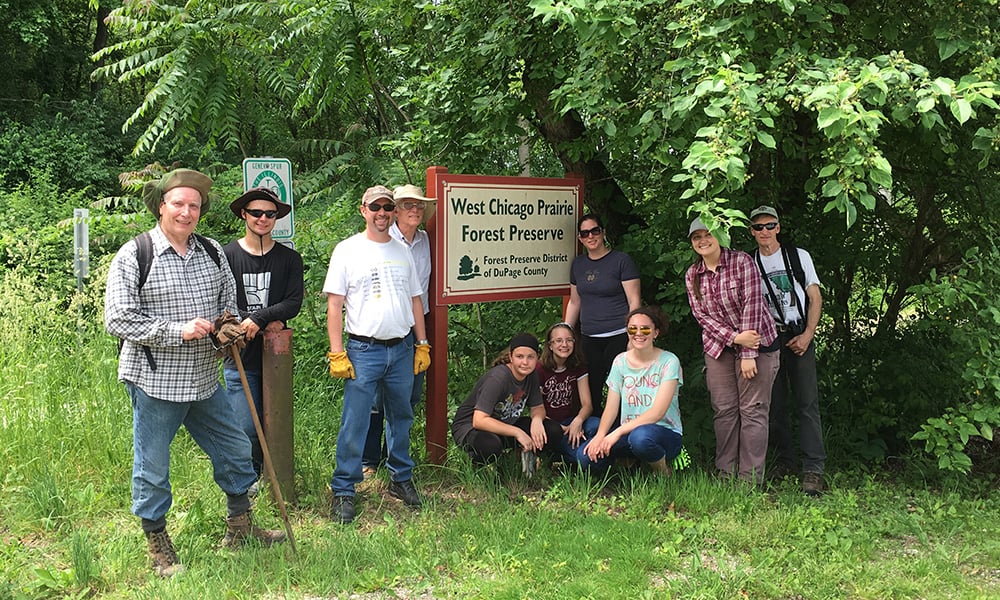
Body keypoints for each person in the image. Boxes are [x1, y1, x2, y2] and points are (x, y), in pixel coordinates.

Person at [104, 169, 285, 578]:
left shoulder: (210, 252)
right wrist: (176, 330)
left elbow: (227, 302)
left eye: (194, 205)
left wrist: (228, 327)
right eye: (179, 204)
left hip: (204, 379)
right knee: (153, 467)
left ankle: (241, 529)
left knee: (236, 449)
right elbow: (117, 319)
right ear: (162, 206)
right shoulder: (134, 254)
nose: (187, 212)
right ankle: (158, 546)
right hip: (156, 381)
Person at [323, 185, 431, 524]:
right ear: (363, 210)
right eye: (376, 207)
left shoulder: (402, 252)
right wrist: (337, 352)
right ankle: (344, 489)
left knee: (401, 416)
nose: (381, 212)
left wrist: (422, 344)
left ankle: (400, 478)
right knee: (355, 421)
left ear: (393, 211)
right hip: (363, 350)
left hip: (401, 349)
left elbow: (415, 299)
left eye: (387, 207)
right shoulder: (347, 250)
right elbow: (335, 304)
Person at [685, 217, 779, 485]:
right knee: (724, 411)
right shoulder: (693, 274)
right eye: (696, 237)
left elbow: (753, 303)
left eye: (708, 234)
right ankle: (726, 474)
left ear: (720, 236)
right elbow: (701, 316)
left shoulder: (741, 262)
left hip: (758, 344)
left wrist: (748, 353)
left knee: (753, 411)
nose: (703, 240)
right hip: (719, 348)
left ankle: (749, 480)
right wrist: (735, 338)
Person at [222, 187, 303, 484]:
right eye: (256, 213)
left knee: (276, 424)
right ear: (244, 214)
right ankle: (250, 478)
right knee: (245, 424)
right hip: (240, 357)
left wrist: (261, 316)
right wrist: (259, 318)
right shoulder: (227, 255)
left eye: (270, 214)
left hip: (276, 356)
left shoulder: (290, 259)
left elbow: (293, 301)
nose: (263, 219)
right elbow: (224, 302)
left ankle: (277, 478)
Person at [749, 205, 826, 495]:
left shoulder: (798, 256)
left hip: (798, 334)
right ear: (752, 232)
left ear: (778, 227)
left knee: (807, 403)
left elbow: (815, 296)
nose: (765, 232)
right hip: (769, 339)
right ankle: (784, 461)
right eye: (758, 227)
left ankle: (813, 468)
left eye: (770, 225)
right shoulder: (750, 261)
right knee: (773, 404)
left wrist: (808, 334)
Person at [362, 184, 435, 478]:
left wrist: (423, 340)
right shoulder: (381, 240)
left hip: (416, 327)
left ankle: (393, 457)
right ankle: (369, 459)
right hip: (382, 329)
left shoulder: (427, 241)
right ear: (395, 211)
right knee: (376, 399)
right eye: (407, 205)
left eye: (419, 205)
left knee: (408, 397)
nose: (414, 210)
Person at [577, 307, 684, 474]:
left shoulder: (669, 361)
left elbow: (657, 413)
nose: (638, 333)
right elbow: (611, 408)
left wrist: (616, 432)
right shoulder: (620, 361)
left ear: (656, 333)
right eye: (632, 328)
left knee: (640, 438)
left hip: (665, 434)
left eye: (645, 329)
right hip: (629, 433)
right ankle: (627, 463)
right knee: (584, 458)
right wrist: (601, 436)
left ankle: (663, 473)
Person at [563, 214, 641, 417]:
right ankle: (594, 436)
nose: (591, 236)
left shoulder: (621, 261)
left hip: (619, 334)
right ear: (580, 238)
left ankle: (621, 436)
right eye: (585, 233)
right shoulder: (578, 265)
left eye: (595, 231)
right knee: (591, 388)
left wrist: (633, 336)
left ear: (603, 232)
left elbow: (634, 301)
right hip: (589, 337)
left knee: (620, 387)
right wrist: (564, 333)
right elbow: (575, 301)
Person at [451, 333, 563, 467]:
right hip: (471, 428)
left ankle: (514, 458)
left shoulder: (531, 374)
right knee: (490, 446)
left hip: (505, 423)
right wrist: (518, 433)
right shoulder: (498, 378)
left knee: (553, 430)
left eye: (530, 357)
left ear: (536, 358)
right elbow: (479, 420)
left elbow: (537, 407)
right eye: (519, 356)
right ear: (511, 357)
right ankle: (473, 463)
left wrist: (537, 421)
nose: (525, 362)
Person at [536, 322, 600, 465]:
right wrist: (562, 428)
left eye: (569, 340)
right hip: (551, 425)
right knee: (581, 456)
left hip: (575, 420)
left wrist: (577, 421)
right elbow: (536, 408)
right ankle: (568, 456)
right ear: (550, 345)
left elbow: (587, 405)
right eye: (558, 340)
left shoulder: (578, 366)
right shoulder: (539, 369)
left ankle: (585, 449)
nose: (564, 344)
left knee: (597, 425)